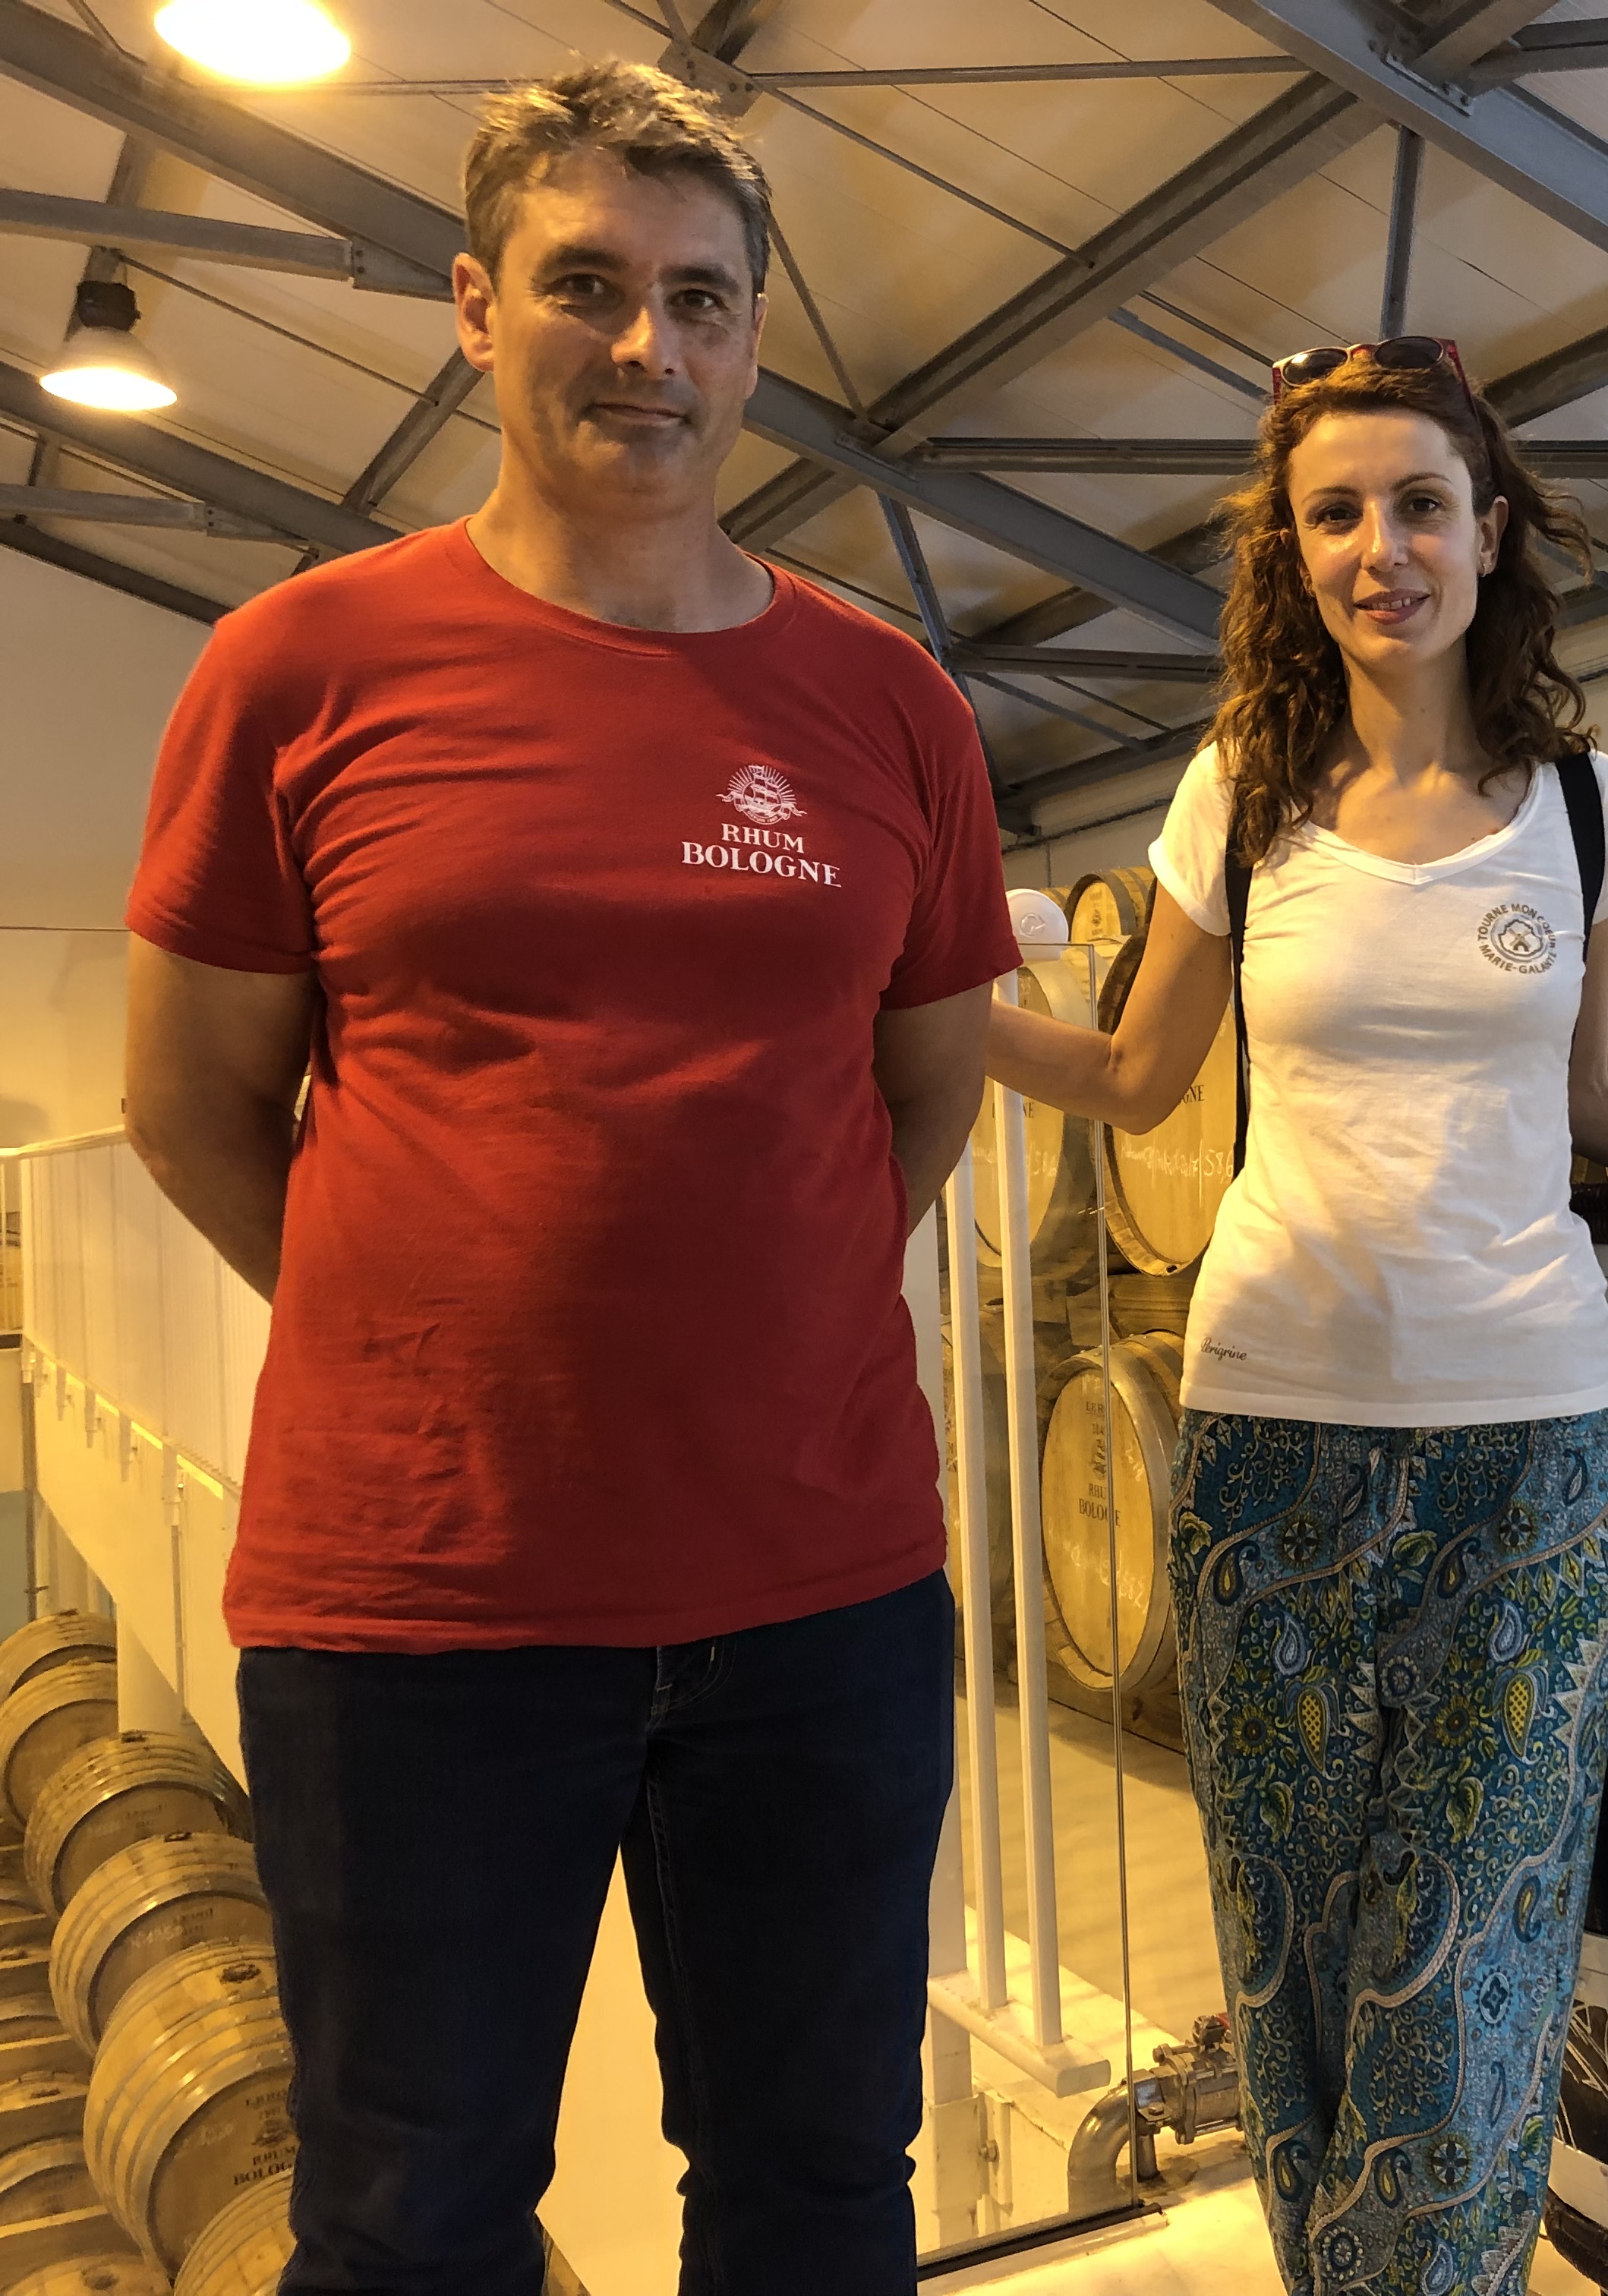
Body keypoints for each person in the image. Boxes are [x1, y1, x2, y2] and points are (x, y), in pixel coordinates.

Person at [120, 65, 1014, 2296]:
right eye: (586, 286)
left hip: (820, 1595)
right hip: (418, 1611)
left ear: (755, 334)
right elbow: (196, 1101)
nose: (648, 348)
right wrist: (421, 1332)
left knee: (819, 2196)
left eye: (699, 300)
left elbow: (924, 1088)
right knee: (412, 2224)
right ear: (471, 305)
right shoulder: (299, 669)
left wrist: (769, 1314)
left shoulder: (888, 705)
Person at [983, 336, 1608, 2296]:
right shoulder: (1237, 796)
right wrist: (912, 1003)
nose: (1382, 548)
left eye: (1420, 505)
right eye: (1336, 514)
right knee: (1293, 1959)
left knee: (1478, 1954)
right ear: (1291, 551)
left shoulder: (1588, 809)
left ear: (1492, 530)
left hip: (1530, 1451)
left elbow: (1588, 1101)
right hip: (1271, 1440)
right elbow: (1128, 1076)